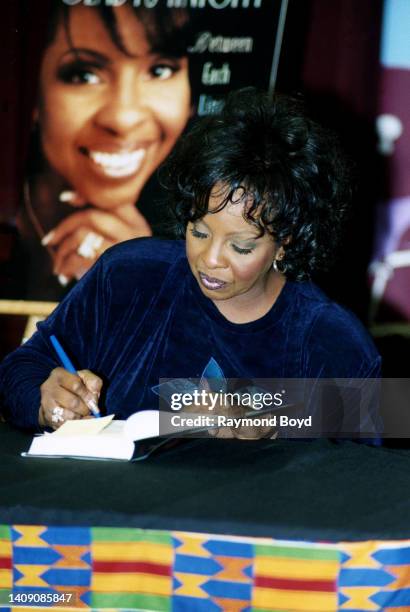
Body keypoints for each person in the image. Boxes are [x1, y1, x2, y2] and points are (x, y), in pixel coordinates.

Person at [0, 89, 382, 440]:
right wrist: (44, 397)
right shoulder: (129, 276)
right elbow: (22, 369)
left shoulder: (330, 342)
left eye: (242, 247)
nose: (210, 260)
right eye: (198, 232)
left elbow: (366, 479)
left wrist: (279, 434)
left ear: (286, 243)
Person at [3, 0, 192, 300]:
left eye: (159, 70)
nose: (124, 118)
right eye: (84, 75)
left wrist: (146, 283)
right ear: (31, 90)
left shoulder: (200, 222)